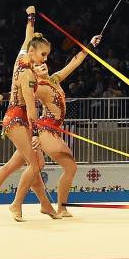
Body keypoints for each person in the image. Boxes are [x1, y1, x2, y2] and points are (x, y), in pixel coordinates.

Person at [0, 7, 58, 222]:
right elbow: (29, 107)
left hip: (16, 118)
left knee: (16, 166)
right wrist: (35, 133)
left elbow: (28, 35)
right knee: (35, 165)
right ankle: (18, 205)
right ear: (34, 51)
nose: (45, 59)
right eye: (43, 54)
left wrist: (31, 17)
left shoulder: (22, 58)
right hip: (18, 119)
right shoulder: (28, 72)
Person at [31, 34, 101, 217]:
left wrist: (90, 45)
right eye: (37, 66)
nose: (42, 65)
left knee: (47, 167)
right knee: (65, 166)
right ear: (34, 72)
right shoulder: (37, 87)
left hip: (54, 131)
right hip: (45, 130)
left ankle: (57, 207)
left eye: (43, 63)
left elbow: (74, 62)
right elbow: (20, 94)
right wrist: (1, 96)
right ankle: (56, 206)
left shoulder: (54, 79)